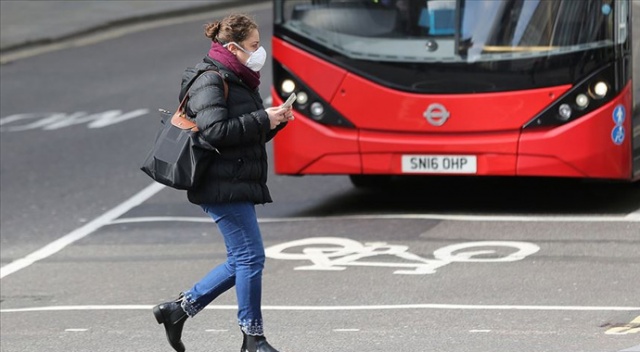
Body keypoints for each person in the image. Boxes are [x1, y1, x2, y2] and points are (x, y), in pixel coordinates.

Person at [152, 13, 293, 352]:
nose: (260, 52)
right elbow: (215, 132)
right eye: (254, 46)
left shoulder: (240, 77)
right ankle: (253, 338)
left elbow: (242, 134)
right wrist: (262, 118)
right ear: (233, 47)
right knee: (250, 258)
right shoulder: (211, 80)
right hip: (218, 182)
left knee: (241, 258)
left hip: (234, 179)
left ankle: (178, 310)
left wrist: (273, 122)